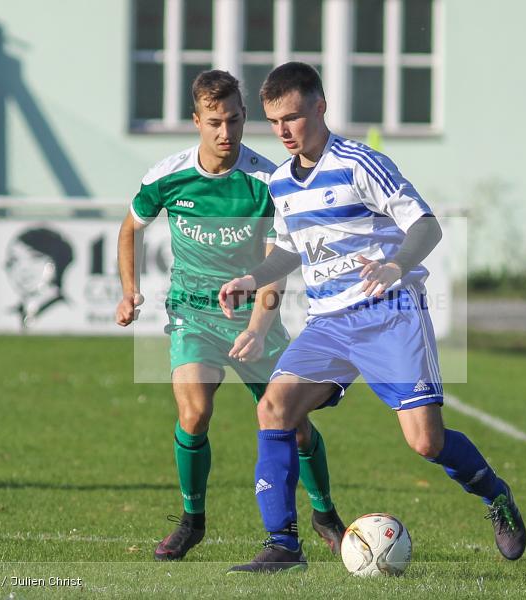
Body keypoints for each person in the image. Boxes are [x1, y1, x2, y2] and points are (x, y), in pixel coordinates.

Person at [219, 62, 526, 574]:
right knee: (274, 409)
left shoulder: (361, 162)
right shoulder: (280, 183)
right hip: (328, 326)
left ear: (320, 106)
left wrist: (395, 265)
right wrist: (252, 279)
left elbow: (426, 227)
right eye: (274, 122)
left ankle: (496, 496)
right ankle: (283, 545)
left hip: (391, 315)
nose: (283, 132)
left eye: (292, 117)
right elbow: (289, 254)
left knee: (426, 442)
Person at [115, 70, 346, 561]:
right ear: (196, 120)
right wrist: (129, 291)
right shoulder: (167, 177)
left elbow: (276, 264)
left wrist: (259, 329)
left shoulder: (267, 180)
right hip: (193, 316)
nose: (227, 133)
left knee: (295, 424)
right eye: (215, 122)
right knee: (194, 413)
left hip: (253, 318)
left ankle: (324, 513)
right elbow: (130, 227)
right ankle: (191, 520)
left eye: (236, 121)